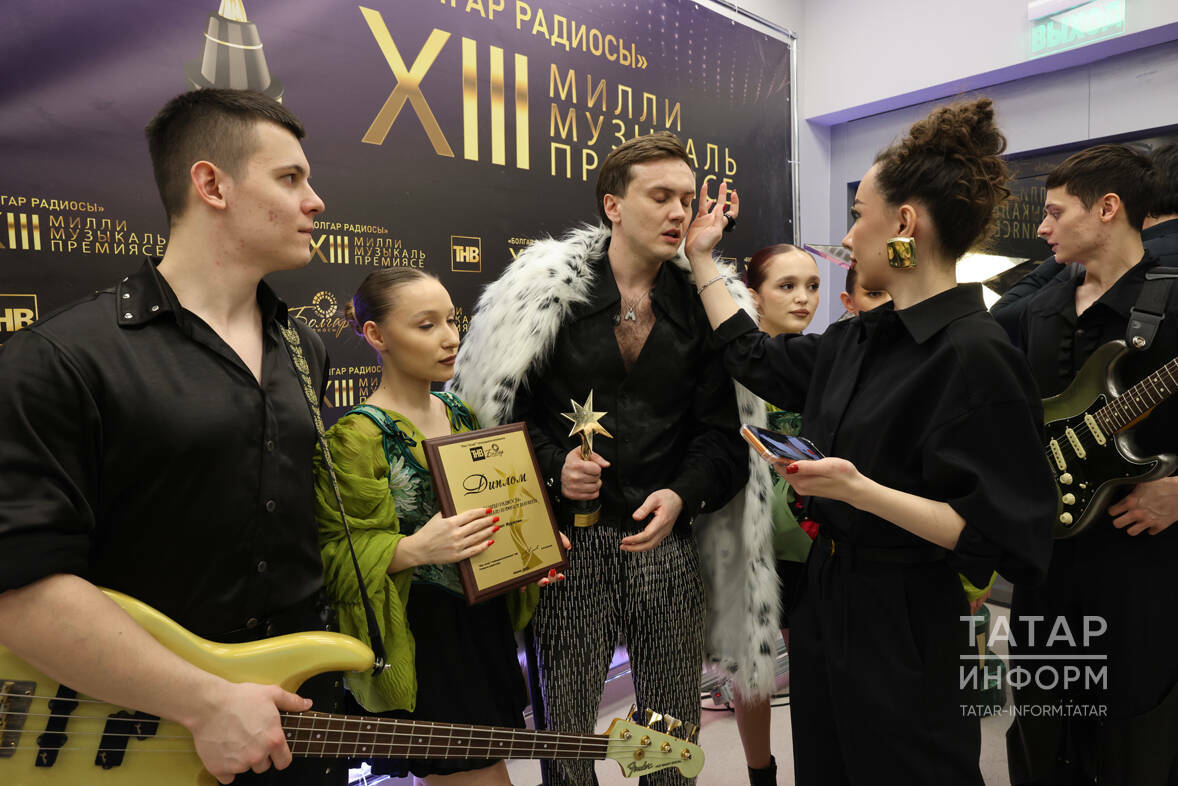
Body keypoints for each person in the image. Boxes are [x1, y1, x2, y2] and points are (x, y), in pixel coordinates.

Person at [684, 97, 1057, 785]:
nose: (850, 237)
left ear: (905, 224)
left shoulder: (975, 357)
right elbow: (752, 357)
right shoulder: (855, 340)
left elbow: (1000, 534)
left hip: (905, 618)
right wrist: (702, 258)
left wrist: (860, 491)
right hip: (828, 598)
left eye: (859, 216)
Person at [0, 89, 341, 784]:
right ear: (212, 185)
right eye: (290, 178)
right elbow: (19, 585)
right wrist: (205, 701)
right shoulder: (62, 357)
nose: (316, 202)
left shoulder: (304, 347)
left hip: (297, 723)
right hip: (133, 741)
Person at [450, 131, 772, 786]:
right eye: (661, 196)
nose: (679, 212)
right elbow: (499, 419)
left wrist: (682, 494)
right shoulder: (542, 299)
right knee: (566, 736)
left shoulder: (707, 306)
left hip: (666, 541)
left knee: (668, 736)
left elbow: (723, 436)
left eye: (686, 198)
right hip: (566, 550)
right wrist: (553, 468)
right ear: (613, 205)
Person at [314, 269, 565, 784]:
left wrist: (529, 543)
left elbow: (491, 507)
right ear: (376, 335)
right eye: (426, 325)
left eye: (452, 321)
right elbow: (333, 558)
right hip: (426, 638)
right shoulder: (356, 437)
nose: (451, 338)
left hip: (482, 625)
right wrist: (412, 549)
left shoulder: (459, 412)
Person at [1005, 144, 1178, 786]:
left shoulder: (1173, 298)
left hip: (1142, 568)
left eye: (1055, 213)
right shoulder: (1037, 309)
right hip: (1046, 566)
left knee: (1135, 742)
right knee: (1041, 733)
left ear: (1107, 208)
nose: (1041, 228)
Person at [731, 244, 820, 786]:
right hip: (750, 541)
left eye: (811, 285)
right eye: (786, 286)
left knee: (819, 669)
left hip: (818, 541)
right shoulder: (732, 368)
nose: (802, 298)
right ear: (754, 295)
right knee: (753, 668)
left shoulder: (829, 359)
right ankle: (759, 773)